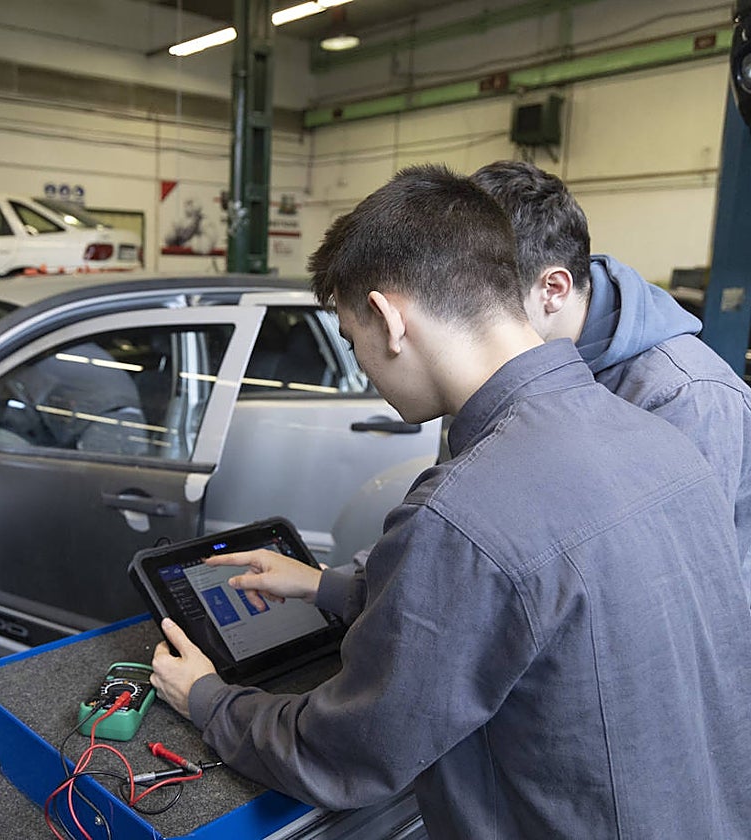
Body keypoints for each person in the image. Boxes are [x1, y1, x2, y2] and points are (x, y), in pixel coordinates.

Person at [150, 164, 751, 839]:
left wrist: (207, 699)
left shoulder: (460, 513)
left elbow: (346, 752)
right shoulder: (660, 433)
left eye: (354, 342)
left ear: (388, 318)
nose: (367, 371)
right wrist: (336, 587)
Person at [471, 160, 751, 590]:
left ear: (553, 290)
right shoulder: (512, 367)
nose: (466, 324)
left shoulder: (687, 396)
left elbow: (679, 588)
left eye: (483, 302)